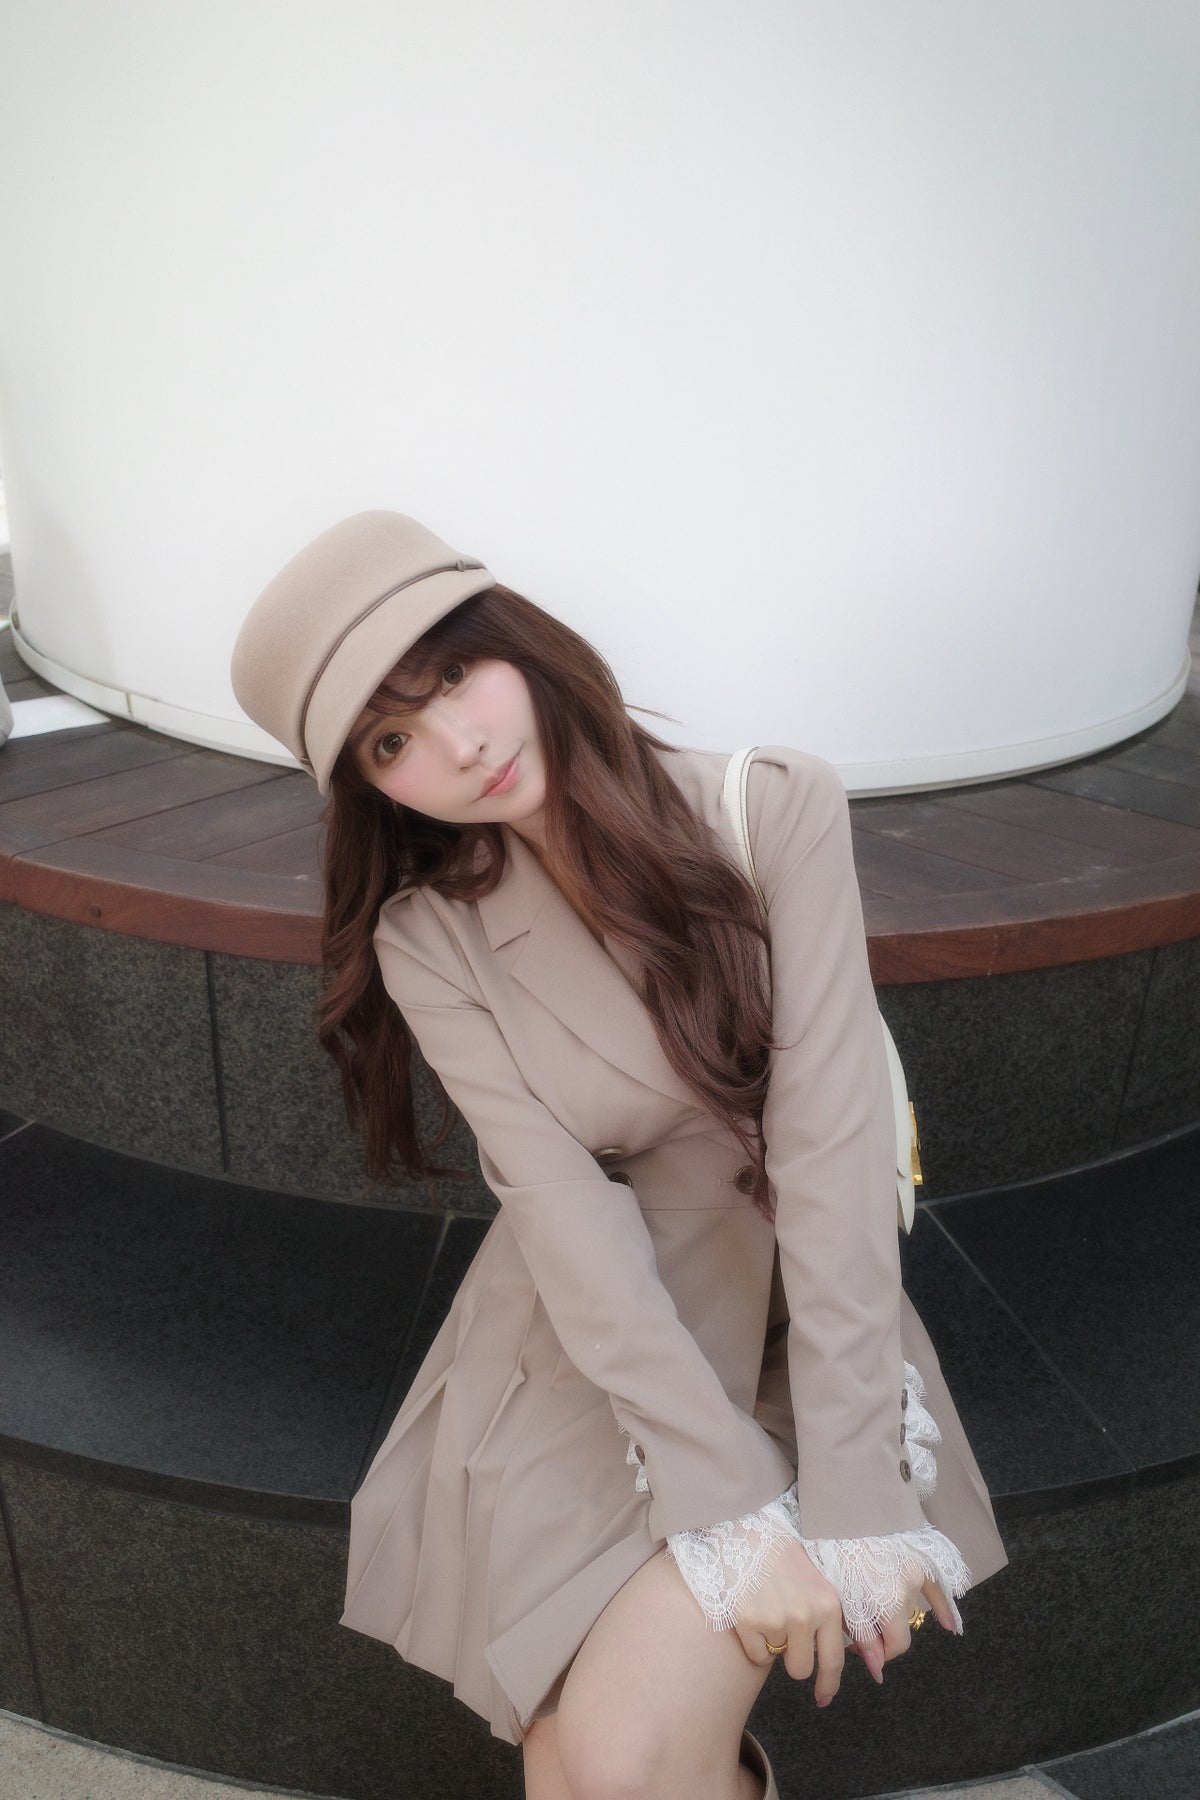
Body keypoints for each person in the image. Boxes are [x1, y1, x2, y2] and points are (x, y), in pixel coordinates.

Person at [232, 511, 1007, 1800]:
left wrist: (857, 1487)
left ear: (520, 642)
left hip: (789, 1318)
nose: (458, 744)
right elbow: (558, 1208)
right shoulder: (432, 937)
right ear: (372, 788)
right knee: (581, 1761)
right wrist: (725, 1505)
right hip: (589, 1345)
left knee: (614, 1763)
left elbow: (830, 1149)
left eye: (454, 675)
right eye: (391, 741)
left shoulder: (768, 809)